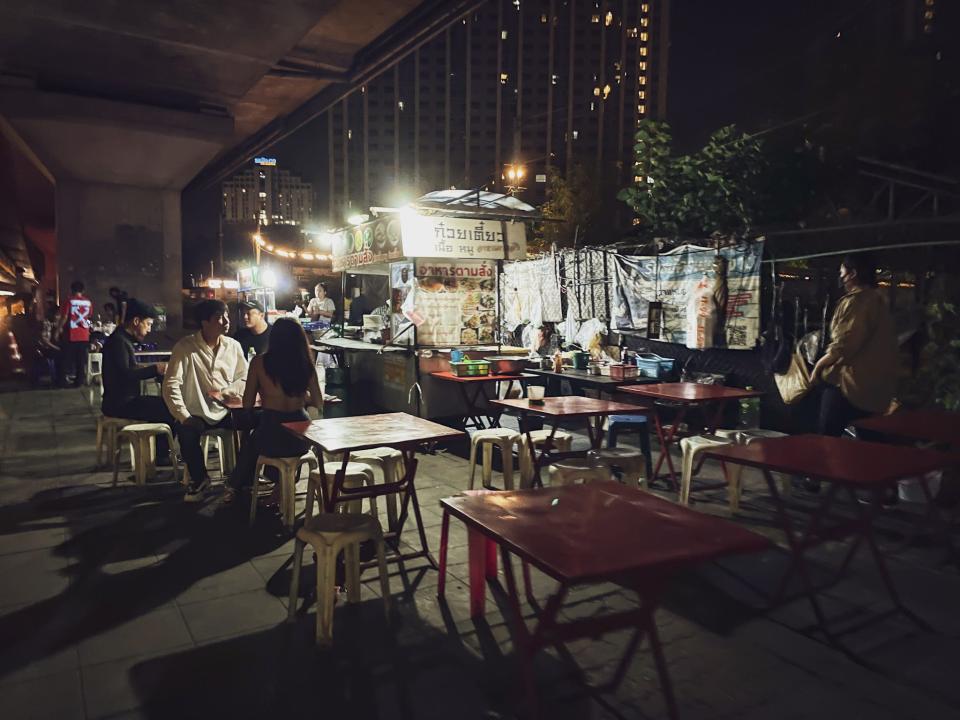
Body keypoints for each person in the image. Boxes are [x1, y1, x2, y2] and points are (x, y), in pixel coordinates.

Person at [806, 253, 898, 490]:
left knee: (826, 436)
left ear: (853, 273)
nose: (841, 277)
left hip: (848, 383)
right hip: (875, 385)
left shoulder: (857, 302)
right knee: (872, 440)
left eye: (842, 272)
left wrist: (818, 368)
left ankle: (814, 478)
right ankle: (885, 490)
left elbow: (844, 345)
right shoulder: (880, 301)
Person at [224, 318, 323, 504]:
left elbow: (247, 403)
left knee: (253, 439)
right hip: (301, 433)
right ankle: (283, 485)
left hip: (272, 429)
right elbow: (318, 401)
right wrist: (301, 396)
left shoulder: (259, 362)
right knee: (295, 439)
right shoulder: (306, 364)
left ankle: (235, 485)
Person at [163, 299, 247, 502]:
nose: (227, 321)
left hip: (226, 410)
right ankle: (200, 480)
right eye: (220, 317)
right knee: (186, 432)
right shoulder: (185, 347)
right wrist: (183, 415)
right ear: (204, 322)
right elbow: (170, 384)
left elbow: (244, 376)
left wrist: (228, 390)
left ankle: (241, 479)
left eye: (227, 315)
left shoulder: (233, 346)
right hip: (196, 411)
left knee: (256, 423)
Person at [101, 298, 175, 462]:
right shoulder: (119, 342)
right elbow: (126, 374)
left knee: (164, 406)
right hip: (120, 403)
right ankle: (161, 456)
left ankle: (157, 454)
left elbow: (128, 368)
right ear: (136, 321)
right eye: (148, 324)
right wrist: (155, 369)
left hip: (122, 400)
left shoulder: (121, 339)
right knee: (171, 408)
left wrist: (152, 368)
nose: (149, 329)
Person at [58, 280, 93, 387]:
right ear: (83, 290)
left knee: (66, 359)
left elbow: (64, 317)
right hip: (84, 335)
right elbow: (89, 316)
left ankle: (63, 381)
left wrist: (58, 329)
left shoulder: (69, 301)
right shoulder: (88, 302)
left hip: (71, 334)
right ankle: (79, 382)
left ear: (72, 289)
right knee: (81, 361)